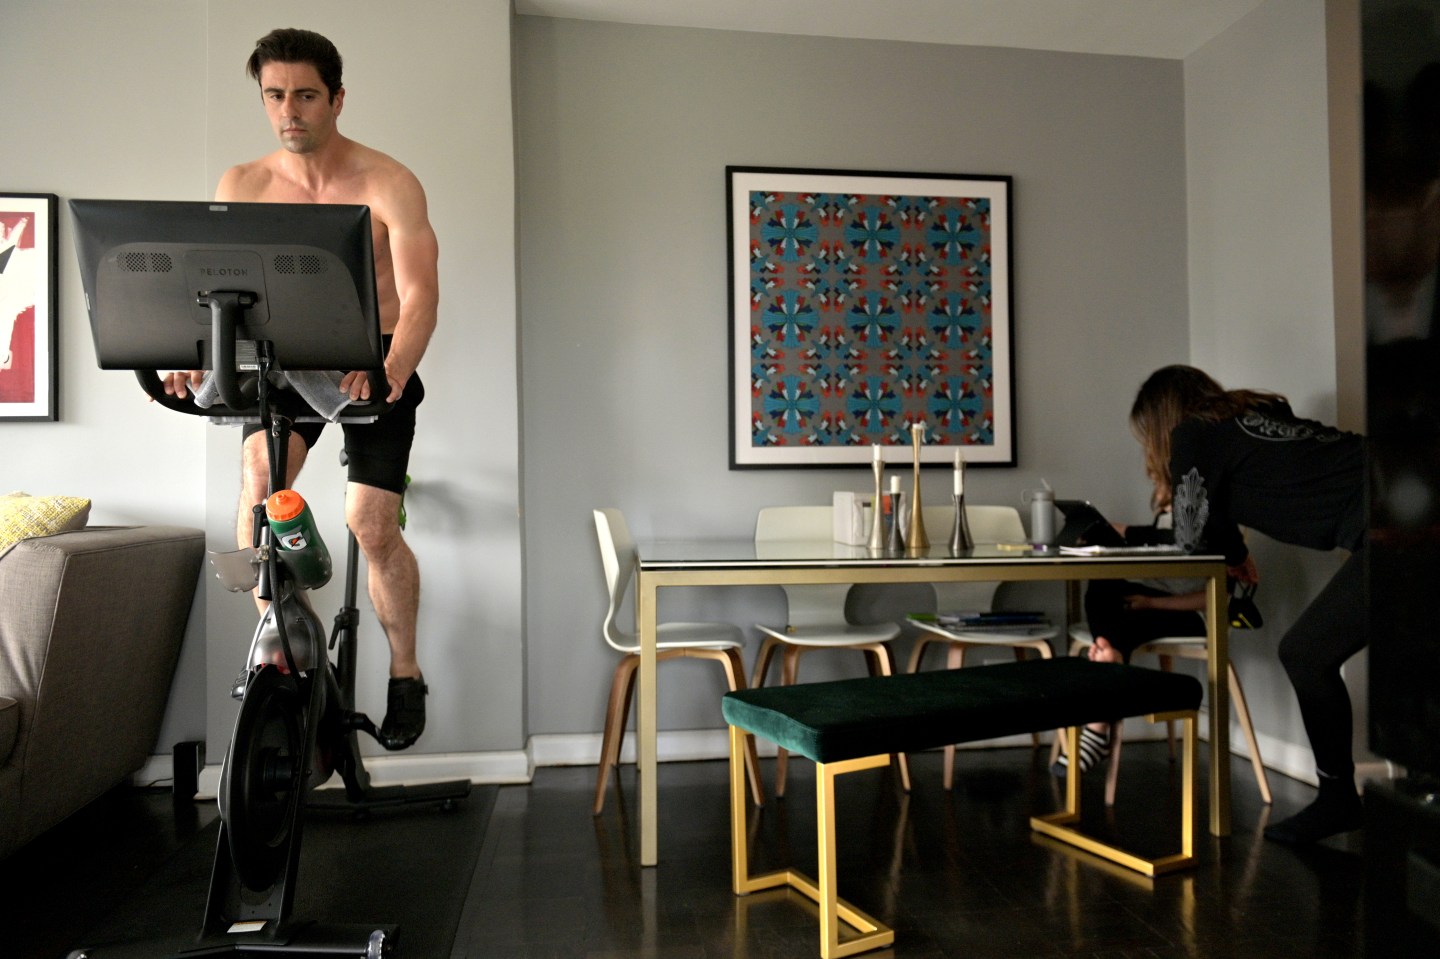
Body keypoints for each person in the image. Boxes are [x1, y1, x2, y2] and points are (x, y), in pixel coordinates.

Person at [162, 28, 439, 751]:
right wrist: (190, 356)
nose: (290, 111)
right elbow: (214, 293)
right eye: (275, 95)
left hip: (372, 362)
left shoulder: (388, 181)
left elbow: (420, 295)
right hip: (285, 360)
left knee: (370, 523)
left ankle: (405, 671)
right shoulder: (243, 185)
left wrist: (393, 366)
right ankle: (285, 645)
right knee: (260, 481)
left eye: (307, 95)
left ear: (337, 99)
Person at [1088, 365, 1366, 845]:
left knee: (1305, 653)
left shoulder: (1191, 434)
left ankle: (1338, 799)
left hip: (1398, 521)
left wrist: (1126, 534)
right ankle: (1343, 798)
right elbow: (1221, 514)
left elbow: (1190, 539)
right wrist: (1235, 554)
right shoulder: (1252, 415)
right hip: (1403, 487)